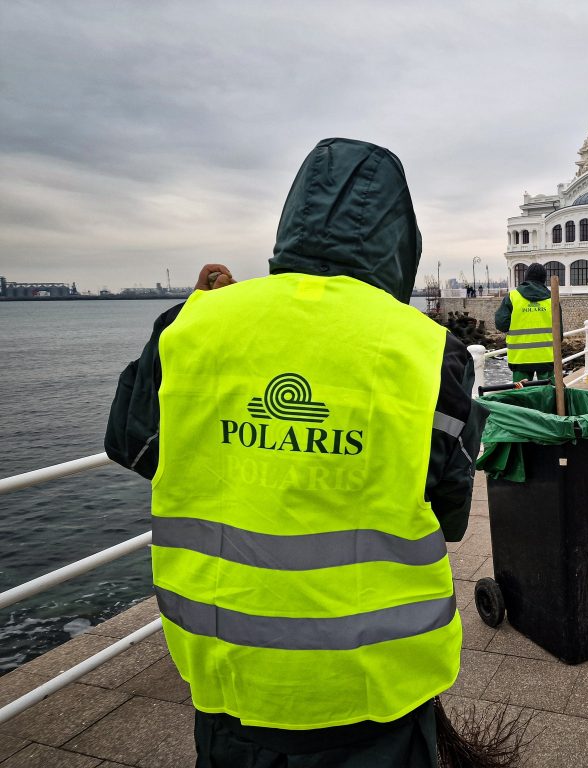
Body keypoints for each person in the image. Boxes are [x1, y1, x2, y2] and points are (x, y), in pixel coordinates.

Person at [105, 138, 486, 767]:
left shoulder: (190, 326)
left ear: (292, 219)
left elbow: (134, 446)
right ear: (401, 240)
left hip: (226, 672)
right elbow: (449, 512)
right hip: (374, 684)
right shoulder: (429, 351)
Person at [494, 262, 561, 383]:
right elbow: (559, 333)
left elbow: (501, 324)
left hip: (520, 358)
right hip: (546, 356)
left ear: (526, 277)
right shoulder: (552, 298)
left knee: (520, 392)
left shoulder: (512, 297)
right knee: (549, 391)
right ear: (544, 279)